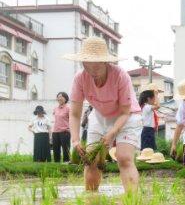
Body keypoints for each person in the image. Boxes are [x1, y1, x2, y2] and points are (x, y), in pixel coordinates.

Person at [64, 36, 142, 191]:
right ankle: (91, 202)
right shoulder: (80, 78)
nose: (93, 73)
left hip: (127, 117)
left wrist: (112, 133)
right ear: (82, 63)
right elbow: (74, 114)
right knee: (91, 160)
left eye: (97, 68)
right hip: (99, 117)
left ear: (106, 62)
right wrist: (75, 140)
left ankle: (131, 202)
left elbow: (125, 112)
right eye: (88, 67)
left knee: (124, 158)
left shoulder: (120, 76)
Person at [139, 83, 162, 150]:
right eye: (154, 98)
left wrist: (154, 94)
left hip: (148, 130)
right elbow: (158, 106)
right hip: (147, 131)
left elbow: (156, 104)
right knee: (148, 150)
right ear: (149, 99)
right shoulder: (147, 107)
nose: (155, 99)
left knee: (149, 150)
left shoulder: (146, 106)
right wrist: (155, 93)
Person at [52, 92, 71, 163]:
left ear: (65, 98)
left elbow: (72, 120)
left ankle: (66, 162)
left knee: (66, 149)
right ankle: (56, 163)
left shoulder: (68, 108)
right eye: (58, 97)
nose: (59, 98)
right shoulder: (55, 109)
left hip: (65, 132)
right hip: (55, 131)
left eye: (61, 97)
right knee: (56, 149)